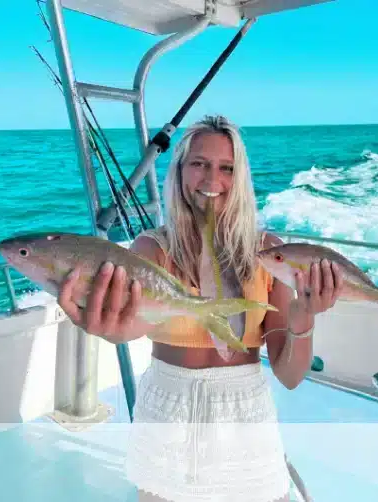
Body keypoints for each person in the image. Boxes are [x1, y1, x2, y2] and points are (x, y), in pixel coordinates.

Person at [58, 115, 343, 502]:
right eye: (199, 164)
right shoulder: (152, 249)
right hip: (167, 415)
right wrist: (104, 326)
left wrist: (303, 318)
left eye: (226, 168)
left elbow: (290, 375)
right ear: (178, 172)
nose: (212, 180)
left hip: (246, 417)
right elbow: (130, 326)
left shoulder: (268, 253)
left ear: (240, 177)